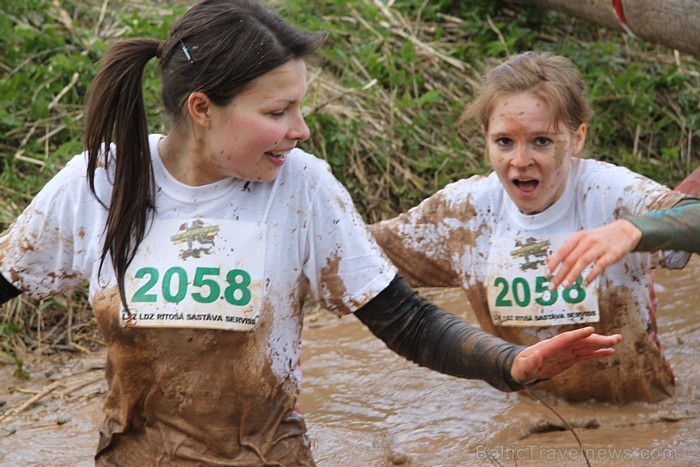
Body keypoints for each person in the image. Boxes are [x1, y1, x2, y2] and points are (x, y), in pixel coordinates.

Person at [0, 4, 621, 464]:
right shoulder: (101, 181)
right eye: (276, 113)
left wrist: (510, 362)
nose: (300, 129)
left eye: (299, 106)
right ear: (200, 109)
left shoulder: (303, 188)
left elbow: (405, 322)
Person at [370, 51, 700, 405]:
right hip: (536, 415)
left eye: (541, 141)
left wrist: (632, 231)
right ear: (486, 138)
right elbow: (354, 254)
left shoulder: (611, 194)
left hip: (641, 413)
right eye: (504, 142)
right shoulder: (463, 212)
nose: (520, 161)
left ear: (577, 139)